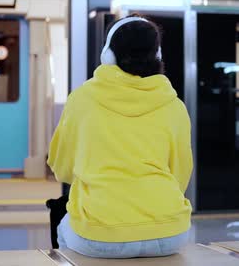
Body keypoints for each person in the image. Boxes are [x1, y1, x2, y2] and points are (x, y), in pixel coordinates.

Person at [47, 15, 193, 258]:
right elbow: (180, 176)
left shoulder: (81, 99)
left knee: (63, 226)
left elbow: (62, 169)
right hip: (170, 232)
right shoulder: (174, 105)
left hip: (99, 235)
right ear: (157, 55)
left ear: (108, 55)